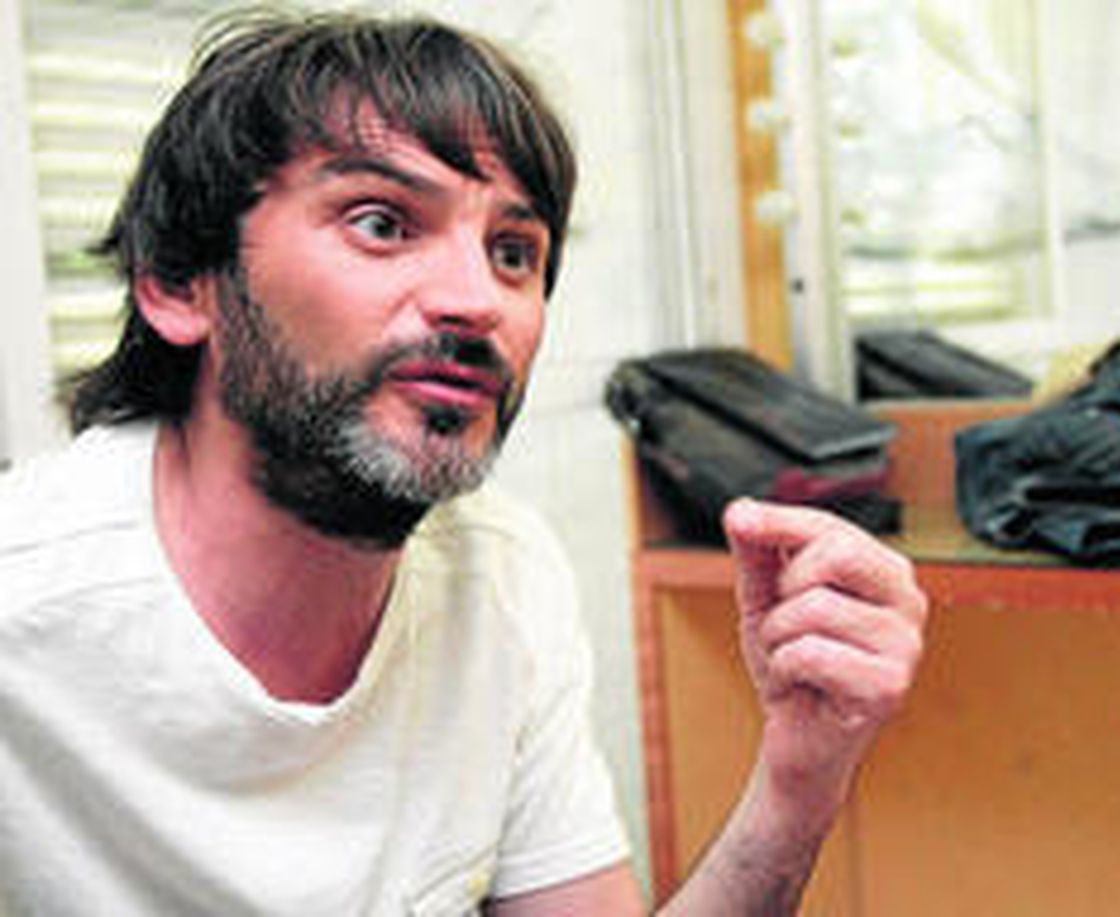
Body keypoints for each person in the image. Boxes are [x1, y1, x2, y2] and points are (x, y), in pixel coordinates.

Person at [0, 11, 927, 915]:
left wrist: (800, 783)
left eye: (513, 252)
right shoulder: (23, 607)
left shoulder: (504, 574)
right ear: (178, 280)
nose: (475, 299)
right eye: (381, 223)